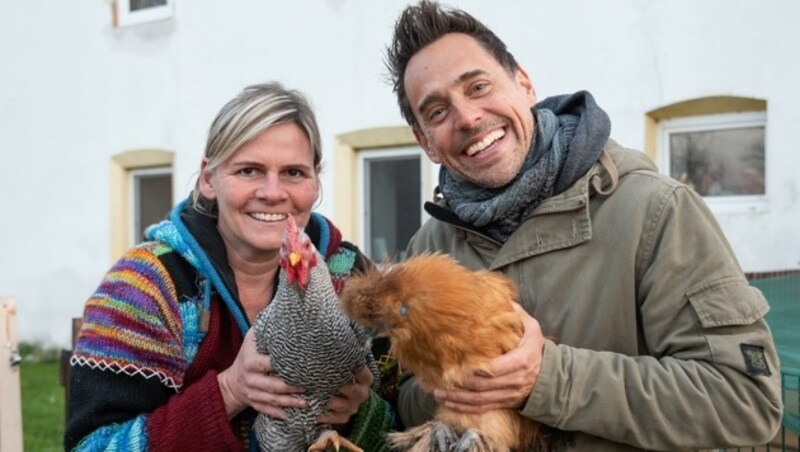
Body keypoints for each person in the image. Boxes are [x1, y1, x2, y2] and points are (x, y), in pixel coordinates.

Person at [385, 1, 783, 450]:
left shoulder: (655, 211)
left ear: (524, 84)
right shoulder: (427, 248)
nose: (468, 117)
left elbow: (745, 400)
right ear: (425, 143)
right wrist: (449, 383)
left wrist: (549, 379)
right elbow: (408, 398)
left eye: (478, 86)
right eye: (437, 112)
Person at [65, 82, 393, 451]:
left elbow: (407, 420)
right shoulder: (148, 283)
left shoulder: (350, 274)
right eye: (249, 170)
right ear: (208, 179)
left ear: (315, 182)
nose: (272, 192)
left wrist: (359, 408)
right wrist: (230, 390)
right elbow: (91, 447)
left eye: (294, 173)